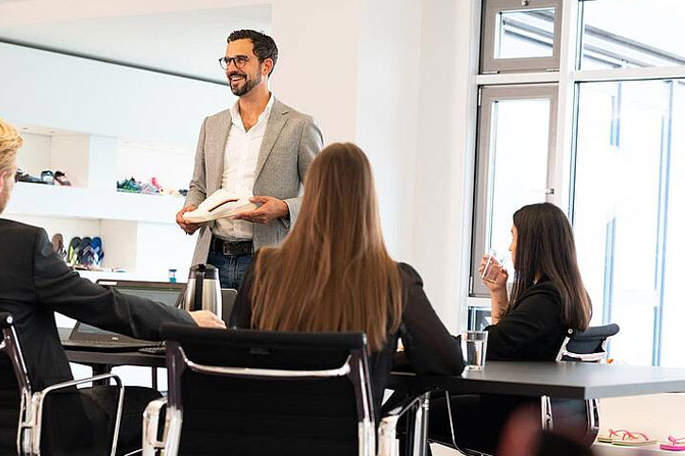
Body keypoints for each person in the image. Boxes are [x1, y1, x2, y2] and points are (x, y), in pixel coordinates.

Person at [0, 116, 224, 454]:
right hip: (39, 423)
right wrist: (186, 321)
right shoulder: (22, 244)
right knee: (153, 404)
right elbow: (105, 306)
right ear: (0, 181)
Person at [227, 142, 464, 411]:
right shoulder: (395, 281)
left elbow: (238, 351)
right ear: (367, 202)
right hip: (353, 435)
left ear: (311, 198)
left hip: (268, 429)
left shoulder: (265, 268)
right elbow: (448, 362)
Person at [428, 202, 593, 454]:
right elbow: (507, 341)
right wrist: (498, 292)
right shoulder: (565, 294)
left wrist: (434, 344)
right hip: (533, 410)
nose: (510, 246)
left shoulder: (546, 298)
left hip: (512, 418)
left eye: (513, 236)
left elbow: (494, 344)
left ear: (532, 243)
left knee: (409, 411)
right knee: (421, 400)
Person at [176, 29, 324, 291]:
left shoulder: (299, 126)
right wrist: (191, 211)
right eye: (228, 61)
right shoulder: (212, 124)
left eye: (241, 60)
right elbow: (198, 185)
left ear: (266, 65)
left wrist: (283, 208)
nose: (231, 68)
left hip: (268, 259)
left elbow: (322, 195)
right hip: (211, 259)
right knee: (205, 320)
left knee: (265, 321)